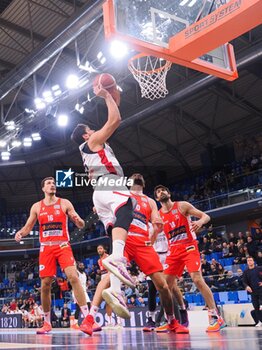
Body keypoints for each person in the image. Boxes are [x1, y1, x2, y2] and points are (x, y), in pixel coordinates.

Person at [71, 82, 135, 331]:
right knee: (127, 209)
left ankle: (116, 291)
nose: (94, 129)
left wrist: (113, 95)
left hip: (100, 194)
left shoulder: (89, 148)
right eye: (90, 128)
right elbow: (115, 120)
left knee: (116, 236)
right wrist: (106, 94)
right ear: (87, 135)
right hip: (112, 185)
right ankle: (117, 260)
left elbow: (114, 111)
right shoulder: (94, 140)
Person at [94, 174, 188, 333]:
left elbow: (156, 223)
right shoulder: (121, 194)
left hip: (143, 243)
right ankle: (90, 317)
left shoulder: (150, 201)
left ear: (144, 183)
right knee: (108, 278)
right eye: (133, 176)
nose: (137, 176)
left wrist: (157, 228)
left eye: (139, 176)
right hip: (124, 240)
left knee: (163, 286)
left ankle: (172, 321)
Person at [15, 177, 91, 335]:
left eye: (54, 183)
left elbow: (81, 223)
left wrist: (79, 221)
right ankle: (47, 322)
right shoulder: (37, 206)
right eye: (49, 183)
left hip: (63, 245)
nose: (52, 185)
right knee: (45, 285)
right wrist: (21, 233)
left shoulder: (65, 203)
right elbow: (28, 226)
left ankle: (87, 319)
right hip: (46, 248)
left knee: (74, 277)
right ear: (43, 188)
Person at [154, 184, 225, 332]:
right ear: (156, 198)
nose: (161, 193)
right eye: (158, 192)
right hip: (172, 251)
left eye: (163, 190)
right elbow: (154, 233)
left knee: (197, 279)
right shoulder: (159, 215)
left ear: (168, 193)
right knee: (165, 287)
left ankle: (216, 317)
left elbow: (206, 216)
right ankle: (171, 320)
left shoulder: (182, 206)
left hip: (189, 247)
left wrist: (199, 222)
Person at [97, 245, 122, 328]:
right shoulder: (98, 261)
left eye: (101, 248)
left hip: (110, 276)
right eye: (98, 249)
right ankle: (110, 322)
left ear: (104, 249)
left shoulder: (109, 257)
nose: (99, 250)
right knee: (108, 300)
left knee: (115, 298)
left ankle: (119, 322)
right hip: (103, 277)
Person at [243, 256, 262, 327]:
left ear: (253, 261)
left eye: (251, 260)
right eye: (248, 261)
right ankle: (260, 321)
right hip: (253, 292)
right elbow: (244, 282)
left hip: (261, 290)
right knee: (256, 307)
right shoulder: (246, 272)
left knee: (261, 306)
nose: (249, 262)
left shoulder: (259, 268)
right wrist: (247, 286)